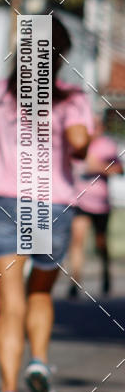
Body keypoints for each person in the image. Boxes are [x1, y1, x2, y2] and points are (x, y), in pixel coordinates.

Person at [0, 15, 93, 392]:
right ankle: (38, 361)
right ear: (61, 57)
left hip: (7, 201)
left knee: (10, 302)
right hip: (51, 205)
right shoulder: (72, 99)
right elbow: (79, 143)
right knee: (40, 290)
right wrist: (79, 143)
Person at [68, 117, 123, 298]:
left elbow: (118, 169)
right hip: (79, 201)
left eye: (97, 126)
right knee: (77, 241)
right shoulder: (78, 144)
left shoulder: (108, 145)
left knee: (101, 243)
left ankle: (106, 276)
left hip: (101, 203)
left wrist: (96, 166)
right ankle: (74, 283)